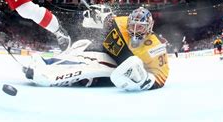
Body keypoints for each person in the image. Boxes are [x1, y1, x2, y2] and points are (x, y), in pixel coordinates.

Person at [24, 7, 170, 92]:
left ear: (149, 26)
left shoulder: (155, 47)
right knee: (80, 48)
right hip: (104, 50)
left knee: (90, 70)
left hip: (120, 67)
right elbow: (108, 22)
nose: (135, 29)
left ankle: (50, 77)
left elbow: (161, 75)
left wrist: (146, 80)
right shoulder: (122, 21)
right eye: (133, 25)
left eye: (141, 27)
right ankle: (47, 62)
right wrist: (100, 17)